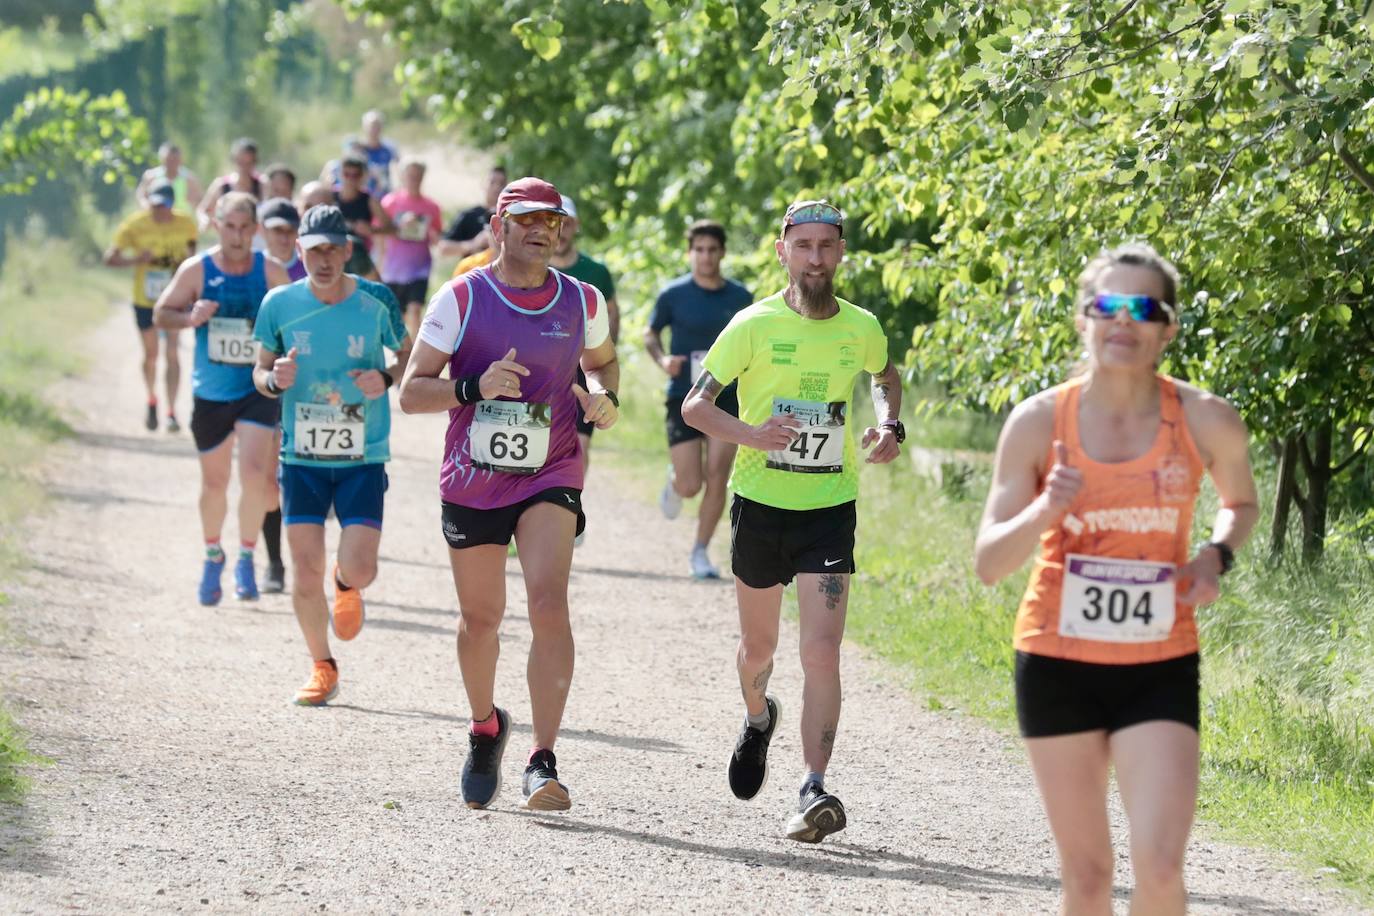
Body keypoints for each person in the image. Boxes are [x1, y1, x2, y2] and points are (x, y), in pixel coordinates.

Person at [973, 243, 1258, 914]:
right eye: (1107, 306)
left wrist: (1214, 557)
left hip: (1157, 664)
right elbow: (989, 562)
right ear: (1083, 319)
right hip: (1055, 662)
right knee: (1089, 877)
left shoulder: (1205, 418)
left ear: (1168, 327)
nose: (1122, 322)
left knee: (1160, 869)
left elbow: (1240, 503)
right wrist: (1048, 509)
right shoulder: (1040, 422)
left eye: (1142, 308)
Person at [682, 199, 904, 844]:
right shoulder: (751, 325)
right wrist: (752, 434)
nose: (815, 258)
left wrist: (890, 423)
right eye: (802, 245)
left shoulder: (860, 326)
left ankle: (813, 786)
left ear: (840, 254)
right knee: (760, 650)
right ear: (783, 250)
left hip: (829, 509)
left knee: (822, 650)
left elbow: (885, 375)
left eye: (826, 246)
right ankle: (757, 720)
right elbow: (698, 406)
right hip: (760, 507)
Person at [399, 177, 619, 812]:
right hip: (473, 476)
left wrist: (603, 399)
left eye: (550, 220)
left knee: (549, 604)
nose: (539, 230)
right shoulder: (462, 297)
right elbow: (413, 392)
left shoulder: (582, 301)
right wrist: (473, 388)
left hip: (551, 469)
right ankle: (484, 726)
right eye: (525, 219)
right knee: (480, 620)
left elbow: (604, 364)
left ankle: (543, 760)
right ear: (498, 227)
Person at [253, 205, 411, 705]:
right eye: (313, 250)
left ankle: (347, 583)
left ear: (348, 250)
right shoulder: (279, 303)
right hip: (301, 455)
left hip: (363, 454)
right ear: (299, 252)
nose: (323, 260)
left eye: (332, 249)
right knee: (303, 568)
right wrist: (273, 378)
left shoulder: (376, 300)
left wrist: (384, 378)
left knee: (362, 567)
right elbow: (259, 374)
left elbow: (408, 357)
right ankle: (322, 664)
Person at [154, 192, 291, 605]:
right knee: (215, 483)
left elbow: (295, 321)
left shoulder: (270, 272)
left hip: (256, 389)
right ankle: (214, 553)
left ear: (255, 230)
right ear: (217, 226)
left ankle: (248, 557)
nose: (237, 235)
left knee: (253, 473)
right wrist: (189, 317)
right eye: (229, 226)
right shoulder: (198, 269)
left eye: (244, 227)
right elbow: (162, 313)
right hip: (211, 393)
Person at [644, 219, 752, 578]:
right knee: (692, 484)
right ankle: (676, 482)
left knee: (718, 475)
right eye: (699, 250)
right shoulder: (673, 294)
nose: (705, 256)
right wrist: (663, 360)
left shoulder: (741, 298)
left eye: (712, 250)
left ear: (722, 253)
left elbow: (754, 344)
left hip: (728, 398)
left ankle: (700, 552)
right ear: (690, 253)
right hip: (684, 396)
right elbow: (651, 334)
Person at [104, 179, 199, 431]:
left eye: (164, 205)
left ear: (172, 204)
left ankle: (171, 411)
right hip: (145, 300)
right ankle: (151, 399)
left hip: (175, 299)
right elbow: (110, 258)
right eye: (155, 205)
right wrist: (136, 259)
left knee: (173, 354)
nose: (159, 210)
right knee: (151, 355)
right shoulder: (135, 225)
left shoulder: (186, 224)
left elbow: (193, 257)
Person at [549, 195, 620, 477]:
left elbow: (612, 312)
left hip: (582, 369)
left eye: (568, 223)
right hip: (541, 367)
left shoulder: (595, 272)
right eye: (557, 223)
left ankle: (569, 499)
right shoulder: (531, 273)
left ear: (576, 225)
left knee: (580, 445)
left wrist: (606, 349)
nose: (563, 230)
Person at [256, 196, 304, 592]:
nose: (283, 238)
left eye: (290, 231)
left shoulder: (316, 267)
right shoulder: (250, 270)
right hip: (264, 388)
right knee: (266, 481)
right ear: (263, 232)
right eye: (276, 231)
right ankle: (274, 562)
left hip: (313, 391)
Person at [380, 157, 443, 339]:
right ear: (402, 176)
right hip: (393, 269)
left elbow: (437, 238)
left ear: (423, 177)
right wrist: (398, 225)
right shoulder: (390, 202)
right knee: (397, 316)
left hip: (420, 268)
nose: (414, 180)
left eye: (418, 176)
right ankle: (400, 351)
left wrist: (428, 230)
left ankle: (414, 352)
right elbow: (379, 231)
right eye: (410, 175)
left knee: (415, 310)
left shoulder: (432, 207)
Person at [301, 182, 381, 281]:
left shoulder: (352, 248)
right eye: (308, 207)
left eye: (322, 207)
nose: (314, 214)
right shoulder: (283, 243)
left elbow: (376, 292)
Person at [439, 165, 505, 259]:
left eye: (502, 183)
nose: (497, 188)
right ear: (483, 184)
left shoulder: (511, 217)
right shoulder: (469, 216)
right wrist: (474, 244)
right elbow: (443, 247)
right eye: (492, 182)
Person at [198, 138, 265, 227]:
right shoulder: (221, 185)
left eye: (248, 163)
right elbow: (202, 210)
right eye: (240, 162)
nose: (244, 167)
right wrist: (205, 220)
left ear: (255, 162)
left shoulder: (262, 184)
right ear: (234, 160)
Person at [335, 152, 393, 250]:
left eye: (355, 175)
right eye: (346, 174)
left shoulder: (369, 200)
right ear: (340, 174)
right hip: (334, 253)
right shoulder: (329, 196)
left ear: (363, 176)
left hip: (360, 255)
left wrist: (372, 230)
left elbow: (392, 229)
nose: (350, 179)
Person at [136, 142, 203, 214]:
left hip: (180, 220)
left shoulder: (189, 179)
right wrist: (148, 207)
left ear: (180, 160)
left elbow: (199, 201)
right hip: (156, 218)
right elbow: (141, 196)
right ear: (162, 159)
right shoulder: (151, 176)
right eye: (168, 160)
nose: (172, 163)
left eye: (175, 159)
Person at [356, 110, 399, 197]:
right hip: (364, 196)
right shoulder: (358, 149)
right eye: (371, 126)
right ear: (364, 127)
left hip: (386, 195)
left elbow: (398, 170)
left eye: (377, 126)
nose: (374, 129)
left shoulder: (389, 148)